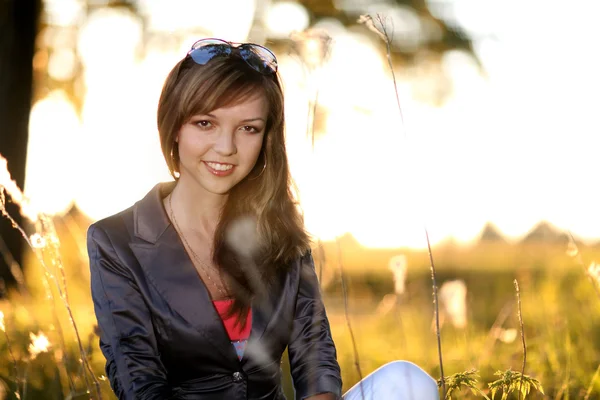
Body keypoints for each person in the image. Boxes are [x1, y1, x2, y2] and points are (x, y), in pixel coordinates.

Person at [87, 38, 439, 400]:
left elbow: (313, 355)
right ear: (175, 125)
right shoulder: (116, 241)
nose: (226, 147)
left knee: (407, 382)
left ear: (266, 138)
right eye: (206, 123)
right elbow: (139, 381)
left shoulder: (279, 229)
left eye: (248, 128)